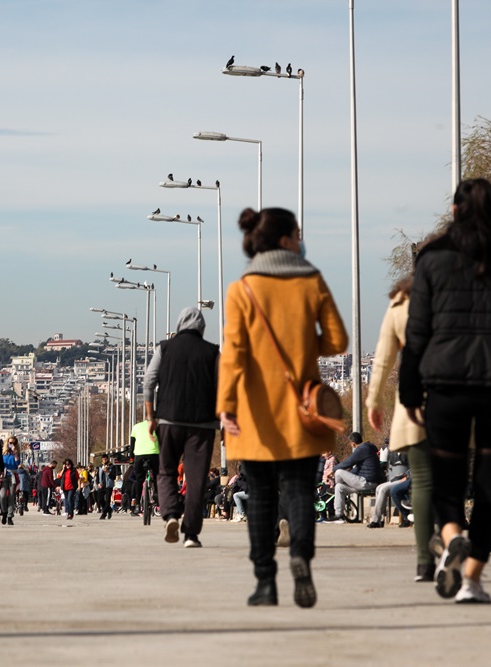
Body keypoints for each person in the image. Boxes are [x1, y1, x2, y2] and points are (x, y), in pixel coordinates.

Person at [400, 178, 491, 604]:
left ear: (454, 212)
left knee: (447, 481)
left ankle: (450, 539)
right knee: (489, 485)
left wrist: (411, 392)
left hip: (446, 386)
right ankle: (472, 580)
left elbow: (417, 333)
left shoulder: (431, 259)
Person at [218, 206, 349, 608]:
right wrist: (304, 346)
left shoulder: (242, 290)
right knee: (298, 491)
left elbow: (233, 355)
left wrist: (225, 405)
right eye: (298, 232)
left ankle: (265, 582)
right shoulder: (312, 281)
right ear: (285, 240)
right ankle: (301, 559)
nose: (302, 238)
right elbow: (338, 340)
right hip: (300, 410)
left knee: (258, 497)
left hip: (254, 414)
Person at [366, 274, 433, 579]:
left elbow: (382, 360)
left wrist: (374, 401)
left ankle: (424, 558)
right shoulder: (461, 294)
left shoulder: (401, 305)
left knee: (423, 478)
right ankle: (452, 535)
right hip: (459, 397)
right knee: (452, 475)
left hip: (415, 401)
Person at [145, 307, 220, 548]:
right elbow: (225, 388)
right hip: (202, 424)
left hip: (169, 419)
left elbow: (149, 381)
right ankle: (191, 534)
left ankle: (170, 515)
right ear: (202, 327)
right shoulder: (213, 352)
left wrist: (150, 417)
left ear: (179, 324)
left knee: (166, 471)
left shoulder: (164, 348)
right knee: (197, 479)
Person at [329, 433, 384, 523]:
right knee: (339, 487)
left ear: (353, 443)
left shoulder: (362, 449)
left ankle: (335, 488)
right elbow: (356, 469)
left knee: (339, 472)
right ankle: (339, 515)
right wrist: (347, 476)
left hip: (367, 482)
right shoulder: (367, 449)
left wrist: (333, 469)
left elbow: (348, 462)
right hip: (364, 482)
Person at [366, 451, 410, 529]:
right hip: (405, 475)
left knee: (383, 489)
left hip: (408, 478)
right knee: (379, 488)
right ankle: (380, 520)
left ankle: (375, 520)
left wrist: (407, 476)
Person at [129, 418, 160, 511]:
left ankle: (137, 503)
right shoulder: (157, 426)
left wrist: (131, 459)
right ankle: (157, 496)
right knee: (158, 476)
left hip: (139, 455)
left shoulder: (136, 427)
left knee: (139, 479)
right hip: (154, 454)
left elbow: (132, 445)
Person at [0, 437, 21, 525]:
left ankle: (9, 516)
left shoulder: (16, 453)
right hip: (4, 475)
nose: (12, 445)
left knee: (11, 496)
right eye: (10, 443)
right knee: (2, 496)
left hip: (12, 475)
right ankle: (4, 512)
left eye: (14, 443)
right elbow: (0, 462)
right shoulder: (3, 453)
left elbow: (17, 464)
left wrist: (15, 454)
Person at [96, 454, 118, 520]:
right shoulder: (100, 467)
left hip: (108, 485)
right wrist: (98, 483)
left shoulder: (111, 467)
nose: (104, 460)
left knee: (108, 500)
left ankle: (104, 514)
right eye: (103, 459)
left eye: (105, 459)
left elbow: (113, 477)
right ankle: (109, 509)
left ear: (107, 459)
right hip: (101, 485)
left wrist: (108, 472)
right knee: (99, 499)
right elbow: (97, 477)